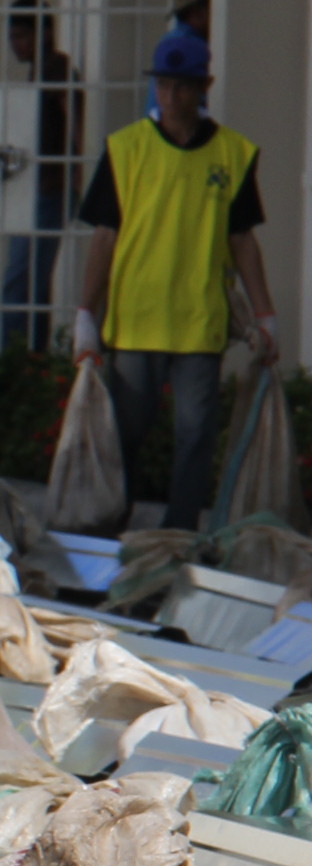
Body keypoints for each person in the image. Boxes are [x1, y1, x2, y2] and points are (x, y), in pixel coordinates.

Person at [72, 27, 274, 532]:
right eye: (163, 85)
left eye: (182, 86)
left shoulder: (232, 155)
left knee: (196, 436)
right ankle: (110, 528)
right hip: (137, 319)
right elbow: (104, 237)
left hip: (198, 320)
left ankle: (179, 536)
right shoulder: (126, 149)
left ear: (205, 86)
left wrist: (265, 314)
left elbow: (243, 240)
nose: (171, 96)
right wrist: (85, 313)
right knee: (125, 434)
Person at [3, 0, 85, 346]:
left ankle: (8, 357)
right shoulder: (41, 69)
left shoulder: (55, 68)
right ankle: (31, 357)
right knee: (31, 284)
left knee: (20, 281)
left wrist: (77, 171)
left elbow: (75, 119)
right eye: (13, 37)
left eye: (23, 36)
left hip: (50, 187)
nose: (16, 45)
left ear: (45, 33)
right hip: (36, 186)